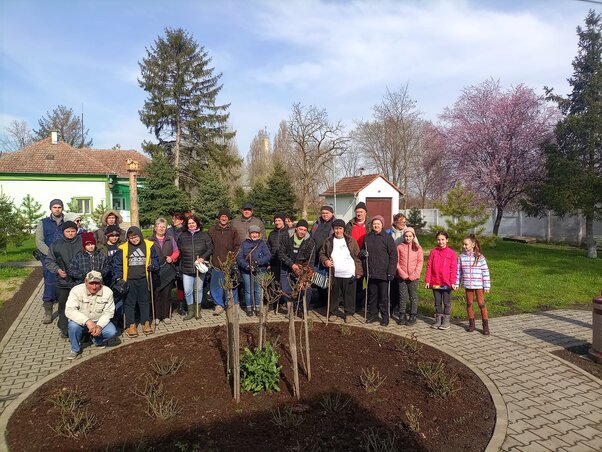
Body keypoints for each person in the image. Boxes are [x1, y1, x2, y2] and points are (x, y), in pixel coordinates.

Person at [113, 226, 159, 337]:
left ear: (140, 235)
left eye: (136, 236)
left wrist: (154, 266)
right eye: (131, 237)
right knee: (129, 303)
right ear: (128, 238)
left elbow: (155, 259)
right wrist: (118, 278)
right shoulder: (123, 248)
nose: (134, 239)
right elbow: (117, 264)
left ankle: (145, 323)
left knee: (144, 302)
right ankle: (131, 325)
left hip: (144, 279)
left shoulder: (149, 246)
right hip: (129, 280)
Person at [65, 270, 117, 360]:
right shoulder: (76, 290)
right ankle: (75, 349)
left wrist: (100, 326)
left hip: (98, 321)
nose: (94, 287)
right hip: (81, 322)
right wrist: (87, 321)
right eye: (91, 283)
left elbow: (109, 312)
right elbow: (69, 311)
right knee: (72, 326)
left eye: (97, 283)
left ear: (101, 282)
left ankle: (96, 340)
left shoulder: (108, 292)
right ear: (85, 281)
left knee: (112, 331)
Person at [320, 219, 362, 323]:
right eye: (336, 228)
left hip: (349, 272)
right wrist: (326, 261)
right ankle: (333, 312)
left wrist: (358, 271)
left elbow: (357, 257)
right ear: (333, 229)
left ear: (343, 229)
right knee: (334, 295)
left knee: (349, 295)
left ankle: (349, 313)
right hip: (335, 273)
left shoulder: (351, 241)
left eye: (340, 228)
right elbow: (322, 254)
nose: (338, 231)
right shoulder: (328, 240)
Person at [45, 221, 83, 337]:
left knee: (81, 305)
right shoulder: (56, 245)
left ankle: (81, 329)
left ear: (76, 231)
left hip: (80, 281)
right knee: (64, 306)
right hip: (63, 282)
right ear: (63, 232)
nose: (71, 233)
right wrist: (57, 270)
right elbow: (49, 261)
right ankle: (64, 328)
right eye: (68, 231)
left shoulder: (82, 242)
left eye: (73, 231)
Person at [361, 215, 397, 326]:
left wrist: (391, 271)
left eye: (378, 223)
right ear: (372, 225)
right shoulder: (367, 237)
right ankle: (373, 315)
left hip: (384, 273)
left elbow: (393, 255)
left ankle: (385, 317)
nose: (376, 225)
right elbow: (362, 249)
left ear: (382, 225)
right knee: (372, 295)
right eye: (374, 223)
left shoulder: (387, 238)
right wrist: (362, 253)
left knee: (384, 297)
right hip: (371, 272)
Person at [177, 215, 213, 320]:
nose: (191, 225)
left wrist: (203, 257)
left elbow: (210, 249)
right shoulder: (182, 236)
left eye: (193, 223)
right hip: (186, 268)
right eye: (189, 223)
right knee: (188, 290)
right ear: (186, 225)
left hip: (199, 268)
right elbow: (179, 251)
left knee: (198, 289)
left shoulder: (204, 235)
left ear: (197, 223)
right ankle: (190, 311)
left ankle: (197, 311)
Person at [35, 198, 64, 324]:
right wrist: (50, 254)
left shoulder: (67, 221)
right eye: (55, 207)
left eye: (59, 207)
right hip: (48, 258)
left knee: (64, 282)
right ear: (51, 208)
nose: (57, 209)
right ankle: (48, 311)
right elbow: (39, 241)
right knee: (50, 283)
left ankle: (65, 310)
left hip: (64, 256)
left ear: (62, 208)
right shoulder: (43, 223)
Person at [456, 234, 491, 335]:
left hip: (479, 285)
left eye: (466, 244)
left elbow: (485, 272)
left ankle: (485, 326)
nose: (464, 246)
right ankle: (472, 324)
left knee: (481, 304)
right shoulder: (461, 257)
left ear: (473, 245)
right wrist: (456, 283)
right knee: (469, 304)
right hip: (468, 285)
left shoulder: (480, 257)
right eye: (463, 244)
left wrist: (487, 285)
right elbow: (458, 271)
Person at [207, 208, 240, 315]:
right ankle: (219, 305)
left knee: (230, 284)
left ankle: (230, 304)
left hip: (229, 263)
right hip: (217, 263)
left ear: (228, 218)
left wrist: (232, 257)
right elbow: (208, 246)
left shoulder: (233, 230)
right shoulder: (212, 230)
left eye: (226, 217)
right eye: (222, 217)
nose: (224, 218)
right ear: (219, 218)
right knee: (216, 285)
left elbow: (237, 245)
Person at [148, 218, 180, 324]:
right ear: (155, 227)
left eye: (164, 226)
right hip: (155, 271)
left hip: (168, 270)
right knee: (156, 294)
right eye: (159, 226)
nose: (161, 228)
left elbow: (176, 251)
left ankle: (166, 316)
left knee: (166, 294)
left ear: (166, 228)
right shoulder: (149, 240)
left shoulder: (170, 239)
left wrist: (172, 257)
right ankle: (156, 316)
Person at [279, 219, 315, 311]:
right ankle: (291, 309)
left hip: (302, 268)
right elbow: (281, 254)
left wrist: (305, 276)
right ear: (296, 229)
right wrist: (291, 264)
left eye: (304, 230)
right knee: (286, 290)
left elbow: (310, 260)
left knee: (306, 289)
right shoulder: (286, 237)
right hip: (286, 267)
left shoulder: (310, 241)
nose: (302, 232)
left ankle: (303, 310)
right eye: (300, 229)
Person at [425, 231, 458, 330]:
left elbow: (453, 268)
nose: (440, 241)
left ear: (447, 240)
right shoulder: (433, 252)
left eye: (443, 239)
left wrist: (453, 282)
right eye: (439, 239)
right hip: (435, 282)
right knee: (437, 302)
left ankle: (446, 321)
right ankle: (438, 320)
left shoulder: (451, 253)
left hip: (447, 283)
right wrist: (427, 280)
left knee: (447, 302)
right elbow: (429, 267)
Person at [237, 225, 271, 316]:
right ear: (249, 234)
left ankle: (258, 308)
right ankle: (249, 308)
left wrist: (257, 262)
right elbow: (239, 258)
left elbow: (268, 256)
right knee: (248, 290)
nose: (254, 235)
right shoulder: (244, 244)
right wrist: (246, 266)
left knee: (258, 290)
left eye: (256, 233)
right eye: (253, 233)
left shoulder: (262, 244)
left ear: (259, 234)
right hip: (246, 271)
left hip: (260, 270)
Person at [395, 227, 423, 326]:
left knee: (413, 296)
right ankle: (402, 314)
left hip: (413, 277)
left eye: (410, 236)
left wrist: (414, 275)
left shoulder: (418, 248)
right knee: (402, 296)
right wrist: (402, 274)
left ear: (413, 236)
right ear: (404, 236)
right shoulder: (399, 247)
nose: (408, 238)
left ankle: (413, 315)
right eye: (406, 236)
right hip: (402, 277)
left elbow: (420, 262)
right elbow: (396, 262)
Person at [311, 205, 335, 307]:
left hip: (328, 255)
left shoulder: (334, 224)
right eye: (323, 213)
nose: (325, 215)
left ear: (332, 214)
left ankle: (329, 301)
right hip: (316, 255)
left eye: (327, 213)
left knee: (328, 279)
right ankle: (321, 300)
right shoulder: (317, 223)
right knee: (319, 278)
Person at [166, 212, 188, 315]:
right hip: (170, 260)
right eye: (173, 218)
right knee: (169, 284)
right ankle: (167, 305)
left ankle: (181, 305)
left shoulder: (186, 231)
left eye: (176, 219)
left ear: (181, 221)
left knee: (181, 284)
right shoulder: (169, 231)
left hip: (182, 260)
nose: (173, 220)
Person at [267, 212, 287, 282]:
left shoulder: (289, 232)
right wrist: (268, 262)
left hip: (285, 263)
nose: (277, 222)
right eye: (276, 221)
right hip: (274, 262)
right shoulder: (272, 234)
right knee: (274, 283)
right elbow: (268, 248)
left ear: (283, 221)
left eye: (279, 220)